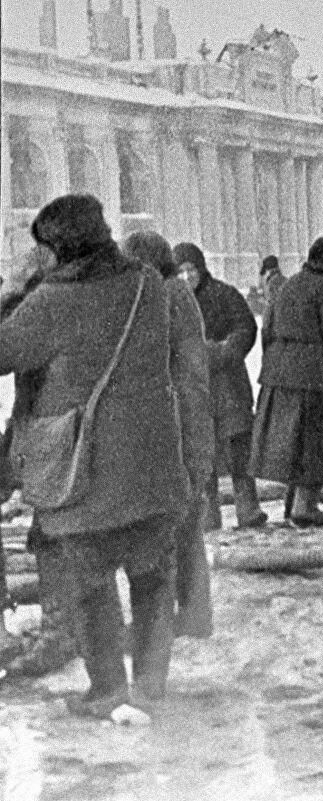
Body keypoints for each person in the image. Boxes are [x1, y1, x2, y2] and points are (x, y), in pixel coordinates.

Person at [0, 195, 190, 716]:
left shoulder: (53, 301)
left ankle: (109, 692)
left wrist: (17, 288)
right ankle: (151, 687)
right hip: (151, 461)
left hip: (84, 469)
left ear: (56, 247)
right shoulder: (147, 284)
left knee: (91, 586)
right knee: (153, 579)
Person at [125, 232, 216, 640]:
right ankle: (194, 614)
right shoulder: (175, 292)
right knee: (184, 524)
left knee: (177, 525)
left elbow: (171, 367)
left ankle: (186, 617)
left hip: (180, 423)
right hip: (186, 420)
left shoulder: (167, 297)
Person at [249, 235, 323, 527]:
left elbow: (266, 329)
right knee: (313, 441)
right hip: (313, 377)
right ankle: (305, 509)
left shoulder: (286, 285)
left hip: (278, 374)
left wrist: (273, 368)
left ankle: (293, 506)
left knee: (291, 444)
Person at [0, 243, 82, 679]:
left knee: (54, 533)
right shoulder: (87, 294)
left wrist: (13, 292)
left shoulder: (49, 304)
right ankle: (72, 628)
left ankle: (62, 632)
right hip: (60, 429)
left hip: (56, 432)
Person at [171, 242, 263, 530]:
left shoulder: (224, 294)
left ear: (201, 268)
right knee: (202, 457)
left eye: (192, 269)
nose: (187, 276)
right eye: (181, 271)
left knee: (239, 451)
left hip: (228, 386)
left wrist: (225, 351)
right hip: (193, 390)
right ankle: (208, 518)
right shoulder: (171, 303)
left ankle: (248, 511)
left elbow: (245, 327)